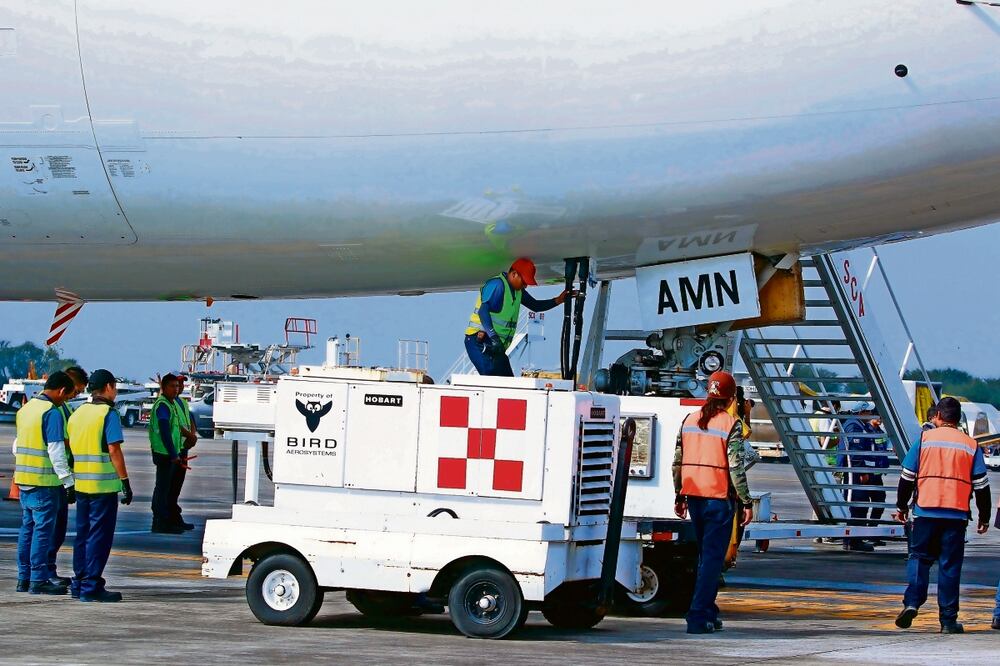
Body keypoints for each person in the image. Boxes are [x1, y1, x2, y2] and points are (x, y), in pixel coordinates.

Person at [893, 397, 991, 634]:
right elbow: (981, 486)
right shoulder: (970, 445)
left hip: (925, 510)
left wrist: (902, 507)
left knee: (919, 558)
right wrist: (984, 517)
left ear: (937, 416)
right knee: (950, 566)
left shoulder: (925, 440)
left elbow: (906, 478)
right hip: (956, 515)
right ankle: (948, 621)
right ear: (958, 419)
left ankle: (913, 602)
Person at [673, 371, 753, 634]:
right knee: (712, 560)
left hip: (694, 497)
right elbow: (736, 467)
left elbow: (677, 461)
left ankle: (708, 611)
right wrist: (746, 501)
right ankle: (697, 616)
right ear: (731, 397)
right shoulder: (731, 424)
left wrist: (679, 494)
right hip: (718, 499)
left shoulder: (689, 419)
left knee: (704, 557)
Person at [67, 369, 133, 602]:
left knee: (82, 535)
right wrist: (125, 481)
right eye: (114, 387)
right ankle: (91, 586)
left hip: (81, 483)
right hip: (102, 486)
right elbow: (114, 449)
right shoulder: (108, 414)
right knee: (99, 537)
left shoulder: (77, 413)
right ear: (108, 387)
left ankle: (79, 582)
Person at [13, 371, 76, 595]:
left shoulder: (25, 410)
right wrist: (68, 482)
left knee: (27, 530)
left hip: (24, 481)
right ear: (60, 391)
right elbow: (56, 452)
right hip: (44, 482)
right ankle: (39, 579)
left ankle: (24, 578)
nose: (65, 401)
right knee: (43, 532)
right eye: (66, 397)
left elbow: (16, 446)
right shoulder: (52, 412)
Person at [464, 258, 573, 377]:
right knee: (493, 381)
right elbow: (483, 312)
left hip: (496, 345)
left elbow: (535, 305)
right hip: (480, 340)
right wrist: (493, 337)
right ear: (514, 274)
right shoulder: (497, 285)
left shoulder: (518, 291)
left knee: (509, 383)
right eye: (524, 282)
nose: (525, 286)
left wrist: (558, 300)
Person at [46, 365, 88, 587]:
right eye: (75, 390)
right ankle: (46, 571)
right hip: (55, 478)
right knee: (52, 529)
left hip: (55, 476)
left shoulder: (61, 408)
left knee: (51, 529)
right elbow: (59, 444)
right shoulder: (56, 410)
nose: (75, 395)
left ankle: (41, 571)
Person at [838, 402, 885, 552]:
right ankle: (852, 540)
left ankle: (855, 539)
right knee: (857, 505)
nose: (871, 414)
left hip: (864, 471)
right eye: (869, 412)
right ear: (862, 412)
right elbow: (855, 450)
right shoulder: (854, 426)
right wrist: (862, 471)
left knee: (862, 505)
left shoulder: (860, 425)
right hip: (856, 472)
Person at [148, 374, 185, 534]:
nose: (176, 389)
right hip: (164, 454)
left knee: (166, 488)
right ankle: (159, 521)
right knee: (162, 489)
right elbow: (164, 431)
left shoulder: (172, 404)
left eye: (177, 386)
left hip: (169, 453)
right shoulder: (163, 405)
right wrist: (173, 454)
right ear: (163, 387)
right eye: (172, 386)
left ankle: (166, 520)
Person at [172, 375, 197, 530]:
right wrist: (190, 436)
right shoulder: (168, 403)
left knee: (176, 487)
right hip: (173, 450)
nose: (179, 386)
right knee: (169, 487)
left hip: (183, 449)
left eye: (181, 383)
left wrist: (192, 436)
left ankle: (175, 517)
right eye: (176, 384)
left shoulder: (182, 402)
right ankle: (167, 518)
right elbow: (174, 424)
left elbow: (190, 421)